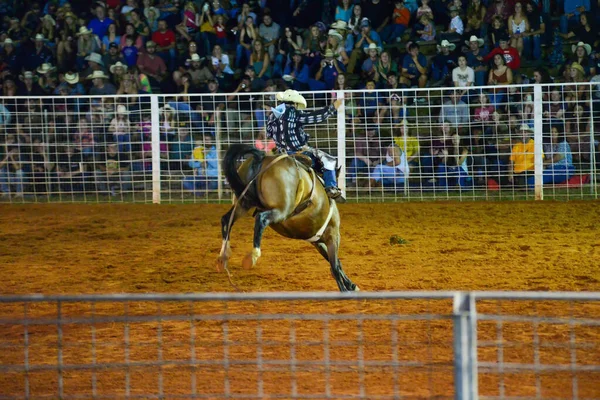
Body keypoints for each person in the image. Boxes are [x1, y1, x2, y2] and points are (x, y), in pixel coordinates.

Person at [266, 90, 345, 201]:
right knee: (329, 160)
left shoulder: (272, 116)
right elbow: (316, 117)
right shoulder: (294, 113)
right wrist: (332, 107)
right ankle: (331, 187)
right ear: (295, 103)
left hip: (280, 154)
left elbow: (268, 133)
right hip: (298, 151)